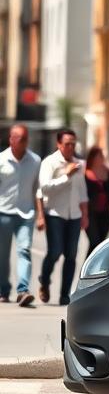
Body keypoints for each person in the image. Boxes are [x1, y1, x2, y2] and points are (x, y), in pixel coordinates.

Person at [37, 128, 89, 306]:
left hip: (74, 214)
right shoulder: (49, 162)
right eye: (67, 144)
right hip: (55, 214)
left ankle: (65, 294)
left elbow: (82, 192)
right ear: (59, 144)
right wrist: (66, 176)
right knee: (55, 252)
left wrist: (85, 214)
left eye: (73, 144)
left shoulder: (78, 164)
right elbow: (44, 188)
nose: (70, 147)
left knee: (71, 255)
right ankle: (44, 280)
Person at [0, 123, 41, 306]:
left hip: (26, 214)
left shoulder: (35, 160)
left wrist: (40, 215)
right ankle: (3, 289)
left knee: (24, 251)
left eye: (26, 138)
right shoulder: (1, 159)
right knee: (2, 255)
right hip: (3, 213)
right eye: (20, 138)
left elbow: (37, 190)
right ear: (11, 139)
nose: (24, 142)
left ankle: (23, 290)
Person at [84, 146, 109, 254]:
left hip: (105, 212)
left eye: (101, 156)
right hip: (90, 213)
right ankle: (87, 268)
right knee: (94, 242)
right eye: (97, 156)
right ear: (92, 158)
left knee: (102, 244)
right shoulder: (85, 173)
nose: (100, 158)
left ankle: (96, 269)